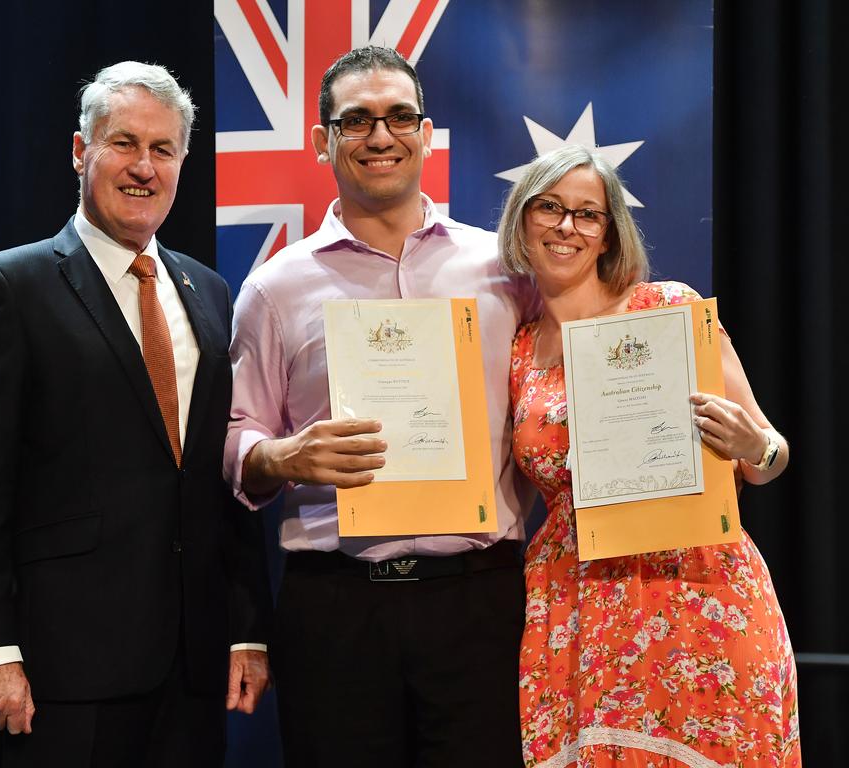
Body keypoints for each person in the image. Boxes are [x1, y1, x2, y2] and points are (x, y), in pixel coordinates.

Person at [0, 61, 272, 766]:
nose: (143, 167)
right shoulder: (10, 285)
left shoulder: (208, 292)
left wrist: (244, 626)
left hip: (191, 665)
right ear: (81, 151)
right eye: (124, 143)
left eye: (163, 150)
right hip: (61, 671)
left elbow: (214, 476)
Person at [225, 46, 538, 767]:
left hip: (480, 603)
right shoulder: (275, 288)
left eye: (401, 117)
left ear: (427, 135)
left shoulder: (504, 270)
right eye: (356, 120)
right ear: (322, 141)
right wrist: (283, 455)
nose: (380, 136)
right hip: (337, 609)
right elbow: (237, 439)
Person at [498, 143, 800, 767]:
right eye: (550, 207)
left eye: (589, 214)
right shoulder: (517, 352)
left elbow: (770, 455)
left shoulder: (670, 310)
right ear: (523, 219)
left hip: (695, 592)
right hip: (574, 604)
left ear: (609, 233)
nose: (567, 226)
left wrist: (753, 446)